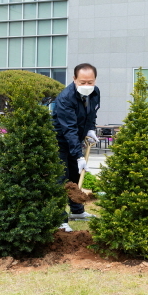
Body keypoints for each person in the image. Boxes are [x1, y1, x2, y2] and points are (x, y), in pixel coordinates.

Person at [53, 63, 100, 232]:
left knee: (75, 174)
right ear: (74, 79)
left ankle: (77, 211)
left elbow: (92, 113)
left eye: (90, 82)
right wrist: (79, 155)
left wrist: (90, 129)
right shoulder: (66, 98)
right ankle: (59, 219)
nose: (87, 86)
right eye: (83, 82)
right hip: (59, 140)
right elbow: (69, 129)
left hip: (75, 139)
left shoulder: (95, 92)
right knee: (61, 177)